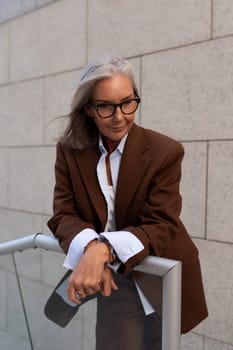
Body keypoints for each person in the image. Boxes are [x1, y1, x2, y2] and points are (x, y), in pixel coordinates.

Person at [47, 55, 208, 349]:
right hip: (116, 279)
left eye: (128, 102)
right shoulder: (70, 151)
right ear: (88, 109)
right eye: (106, 106)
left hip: (162, 274)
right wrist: (94, 251)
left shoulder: (165, 151)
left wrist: (103, 249)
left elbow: (161, 224)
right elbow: (63, 216)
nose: (120, 115)